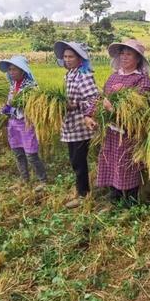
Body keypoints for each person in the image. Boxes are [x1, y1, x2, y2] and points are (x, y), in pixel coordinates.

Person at [94, 39, 150, 206]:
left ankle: (131, 201)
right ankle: (115, 197)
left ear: (138, 59)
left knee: (127, 164)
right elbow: (101, 98)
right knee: (111, 161)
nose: (124, 57)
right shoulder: (113, 77)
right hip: (111, 133)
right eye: (122, 53)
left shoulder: (142, 80)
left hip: (128, 133)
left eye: (129, 54)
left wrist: (114, 110)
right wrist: (91, 115)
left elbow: (141, 110)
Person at [54, 41, 99, 209]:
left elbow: (94, 100)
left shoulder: (84, 75)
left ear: (80, 58)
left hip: (81, 125)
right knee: (74, 160)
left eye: (71, 56)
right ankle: (81, 190)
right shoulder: (70, 74)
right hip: (70, 125)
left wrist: (73, 106)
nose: (67, 59)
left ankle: (83, 195)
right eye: (65, 57)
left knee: (78, 161)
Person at [0, 55, 47, 191]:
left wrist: (20, 104)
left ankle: (43, 180)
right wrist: (5, 108)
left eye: (14, 69)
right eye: (10, 70)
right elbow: (9, 103)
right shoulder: (12, 85)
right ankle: (24, 180)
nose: (11, 72)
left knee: (31, 155)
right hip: (13, 124)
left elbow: (36, 106)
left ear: (23, 71)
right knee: (18, 153)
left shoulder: (32, 87)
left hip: (26, 124)